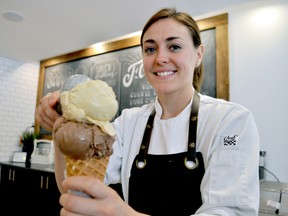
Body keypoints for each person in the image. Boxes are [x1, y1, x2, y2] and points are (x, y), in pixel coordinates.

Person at [35, 7, 260, 216]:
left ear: (199, 54)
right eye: (150, 49)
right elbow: (78, 189)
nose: (160, 58)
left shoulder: (231, 121)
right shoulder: (127, 122)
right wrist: (62, 131)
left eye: (174, 46)